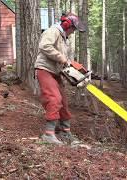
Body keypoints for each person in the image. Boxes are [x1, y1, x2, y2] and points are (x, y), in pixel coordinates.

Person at [34, 13, 86, 145]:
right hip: (44, 69)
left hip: (55, 72)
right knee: (54, 98)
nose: (73, 32)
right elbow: (45, 46)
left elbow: (61, 59)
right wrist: (62, 58)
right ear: (67, 25)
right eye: (73, 29)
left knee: (63, 101)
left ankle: (65, 131)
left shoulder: (63, 38)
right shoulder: (53, 31)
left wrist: (72, 71)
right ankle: (48, 134)